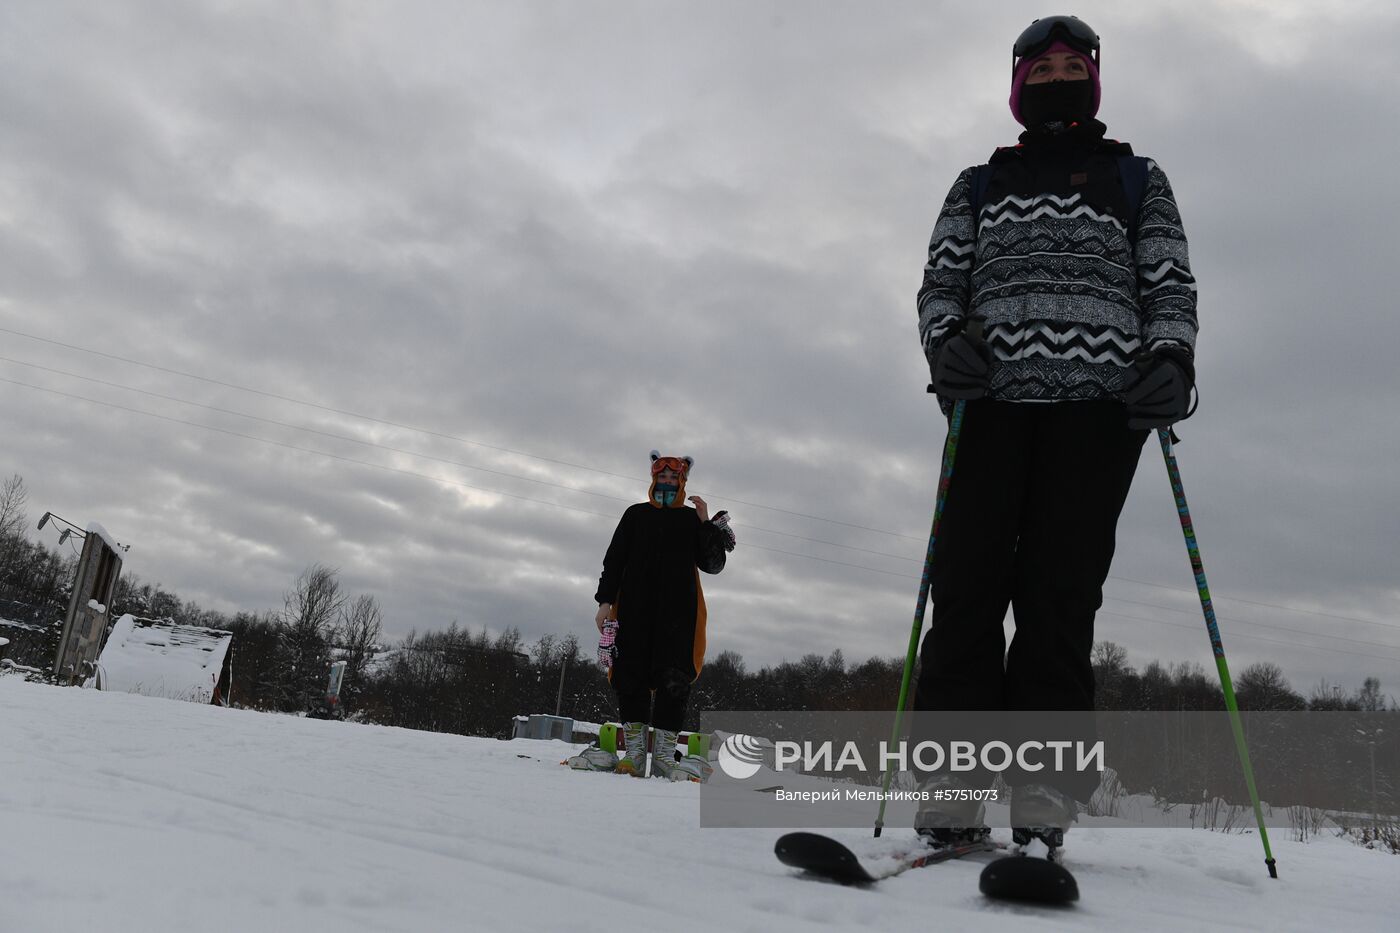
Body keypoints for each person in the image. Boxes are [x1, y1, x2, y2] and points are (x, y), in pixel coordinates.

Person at [912, 15, 1197, 849]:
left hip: (1099, 416)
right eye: (1043, 69)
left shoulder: (1137, 178)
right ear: (1018, 86)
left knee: (1058, 604)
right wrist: (943, 342)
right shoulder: (977, 183)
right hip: (989, 407)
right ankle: (952, 795)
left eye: (1074, 66)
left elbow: (1170, 278)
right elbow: (940, 279)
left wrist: (1173, 359)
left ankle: (1042, 804)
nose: (1057, 78)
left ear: (1095, 82)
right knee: (965, 596)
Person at [591, 451, 734, 780]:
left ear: (683, 482)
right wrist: (604, 602)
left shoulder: (691, 520)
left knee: (674, 680)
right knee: (630, 678)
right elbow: (614, 560)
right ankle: (636, 755)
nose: (668, 483)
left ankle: (666, 757)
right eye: (663, 477)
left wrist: (704, 523)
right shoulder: (635, 515)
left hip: (680, 614)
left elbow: (714, 565)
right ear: (653, 480)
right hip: (634, 610)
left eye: (674, 478)